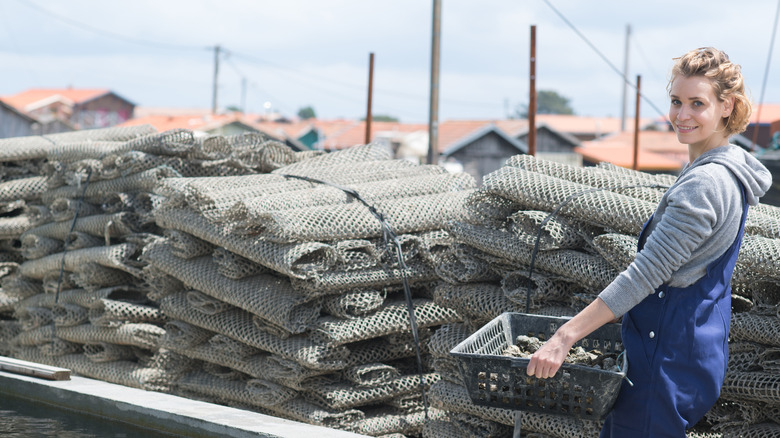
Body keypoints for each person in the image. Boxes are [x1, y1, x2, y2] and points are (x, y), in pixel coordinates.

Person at [525, 47, 772, 437]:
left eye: (697, 103)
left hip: (664, 359)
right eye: (676, 101)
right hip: (694, 349)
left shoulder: (705, 184)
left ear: (728, 106)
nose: (682, 115)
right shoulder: (726, 170)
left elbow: (646, 274)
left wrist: (564, 336)